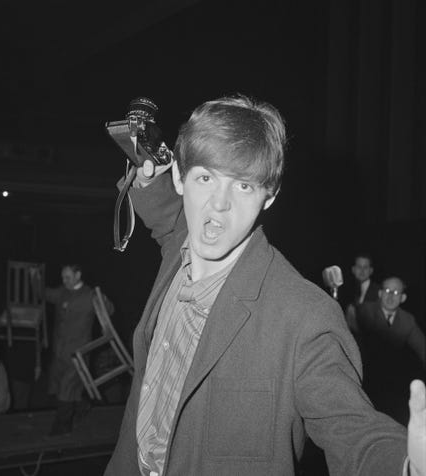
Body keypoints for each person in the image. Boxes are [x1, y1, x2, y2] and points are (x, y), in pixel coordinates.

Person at [104, 95, 426, 476]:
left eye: (243, 186)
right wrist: (148, 169)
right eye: (205, 177)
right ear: (180, 178)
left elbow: (352, 427)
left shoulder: (304, 316)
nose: (218, 204)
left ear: (268, 197)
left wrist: (405, 465)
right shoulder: (180, 246)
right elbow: (166, 216)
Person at [45, 263, 115, 436]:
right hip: (60, 352)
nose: (64, 280)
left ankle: (61, 428)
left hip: (79, 353)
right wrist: (34, 278)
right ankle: (84, 406)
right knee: (68, 388)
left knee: (66, 388)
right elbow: (45, 293)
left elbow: (109, 311)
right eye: (63, 277)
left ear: (78, 275)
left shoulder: (89, 295)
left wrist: (103, 301)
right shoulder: (62, 292)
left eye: (67, 277)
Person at [357, 276, 426, 424]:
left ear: (403, 298)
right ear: (380, 293)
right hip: (362, 383)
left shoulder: (408, 320)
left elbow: (423, 349)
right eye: (387, 290)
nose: (390, 295)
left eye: (396, 292)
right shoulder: (363, 311)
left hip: (391, 386)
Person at [343, 253, 380, 334]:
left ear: (371, 271)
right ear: (353, 269)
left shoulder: (379, 292)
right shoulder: (346, 291)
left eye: (365, 267)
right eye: (359, 267)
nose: (362, 270)